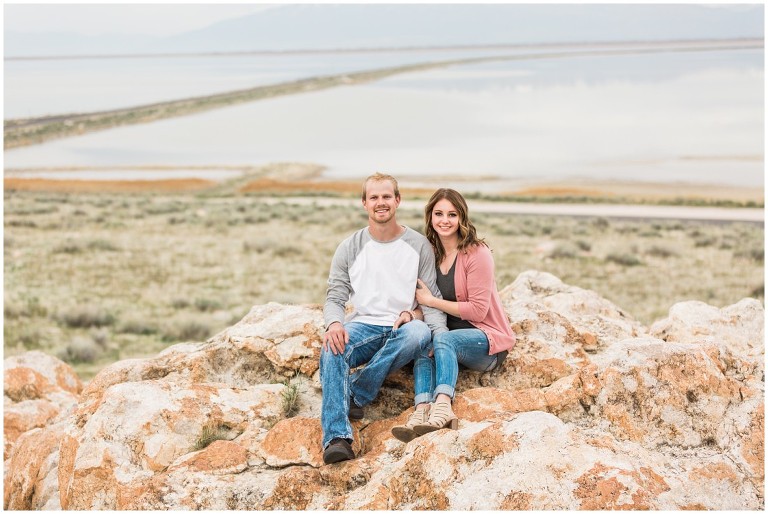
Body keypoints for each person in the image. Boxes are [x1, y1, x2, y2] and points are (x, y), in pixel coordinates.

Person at [320, 173, 448, 464]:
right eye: (374, 197)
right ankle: (337, 438)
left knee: (419, 334)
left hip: (402, 327)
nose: (381, 203)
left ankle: (357, 391)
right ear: (364, 203)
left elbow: (429, 302)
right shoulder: (350, 247)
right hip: (363, 325)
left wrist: (439, 342)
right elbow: (335, 297)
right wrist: (334, 324)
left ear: (398, 200)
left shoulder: (418, 245)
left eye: (386, 196)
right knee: (331, 348)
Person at [391, 188, 516, 442]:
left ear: (462, 218)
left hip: (486, 342)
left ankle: (444, 406)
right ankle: (422, 410)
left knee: (443, 340)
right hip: (449, 338)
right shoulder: (432, 255)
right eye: (438, 214)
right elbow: (428, 305)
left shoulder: (477, 253)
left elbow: (478, 309)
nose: (444, 220)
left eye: (452, 214)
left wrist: (432, 301)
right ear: (430, 217)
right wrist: (412, 314)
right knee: (424, 341)